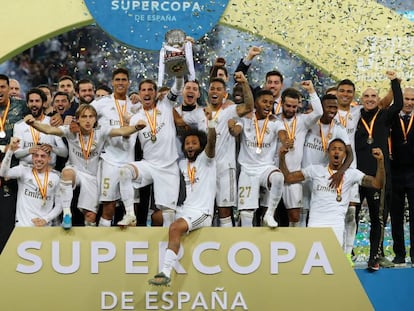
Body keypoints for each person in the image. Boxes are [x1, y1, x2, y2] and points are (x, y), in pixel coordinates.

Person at [24, 104, 146, 229]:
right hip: (75, 170)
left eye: (90, 117)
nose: (87, 120)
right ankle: (67, 214)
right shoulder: (70, 131)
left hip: (92, 177)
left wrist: (137, 127)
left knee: (90, 217)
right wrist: (33, 123)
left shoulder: (101, 131)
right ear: (77, 119)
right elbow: (49, 130)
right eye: (84, 117)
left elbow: (121, 131)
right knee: (67, 173)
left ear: (95, 119)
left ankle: (90, 243)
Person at [280, 139, 385, 271]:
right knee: (311, 269)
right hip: (315, 225)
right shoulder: (315, 170)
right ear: (328, 152)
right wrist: (281, 157)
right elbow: (288, 177)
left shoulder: (352, 174)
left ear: (344, 155)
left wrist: (380, 162)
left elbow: (377, 184)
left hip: (336, 227)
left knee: (332, 269)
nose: (337, 152)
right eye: (334, 149)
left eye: (340, 150)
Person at [148, 111, 216, 286]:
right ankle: (166, 251)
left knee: (175, 227)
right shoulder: (180, 164)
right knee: (156, 216)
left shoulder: (207, 161)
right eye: (187, 143)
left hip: (202, 212)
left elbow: (211, 145)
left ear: (201, 146)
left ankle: (165, 271)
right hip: (185, 209)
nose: (190, 146)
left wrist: (212, 126)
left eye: (194, 143)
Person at [118, 77, 184, 228]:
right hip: (149, 165)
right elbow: (127, 143)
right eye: (143, 90)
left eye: (150, 90)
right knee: (124, 172)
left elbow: (178, 85)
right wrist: (129, 130)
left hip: (168, 168)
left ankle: (167, 248)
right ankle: (130, 214)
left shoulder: (166, 105)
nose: (147, 93)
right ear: (139, 94)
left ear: (155, 93)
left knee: (168, 216)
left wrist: (179, 71)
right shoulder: (136, 117)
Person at [355, 71, 402, 270]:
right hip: (356, 176)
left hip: (379, 175)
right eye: (366, 96)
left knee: (378, 218)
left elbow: (398, 104)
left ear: (378, 100)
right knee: (352, 216)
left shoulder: (384, 116)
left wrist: (394, 82)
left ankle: (374, 256)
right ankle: (347, 252)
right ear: (361, 100)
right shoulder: (354, 118)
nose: (370, 99)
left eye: (373, 96)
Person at [229, 89, 285, 227]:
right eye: (264, 101)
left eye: (271, 103)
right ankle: (245, 242)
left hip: (266, 168)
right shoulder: (246, 119)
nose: (268, 105)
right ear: (255, 103)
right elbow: (236, 130)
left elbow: (283, 134)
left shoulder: (275, 122)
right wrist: (232, 127)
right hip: (247, 170)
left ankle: (269, 214)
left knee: (278, 177)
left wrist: (286, 141)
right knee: (246, 214)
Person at [90, 68, 137, 227]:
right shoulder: (101, 103)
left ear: (129, 83)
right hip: (109, 160)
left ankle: (128, 246)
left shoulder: (136, 105)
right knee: (108, 206)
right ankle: (102, 242)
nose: (120, 83)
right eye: (117, 80)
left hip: (130, 162)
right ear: (112, 82)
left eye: (124, 80)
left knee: (131, 210)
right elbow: (83, 114)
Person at [207, 72, 254, 227]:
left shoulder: (230, 111)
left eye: (218, 89)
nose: (214, 91)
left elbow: (249, 106)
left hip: (225, 168)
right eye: (212, 88)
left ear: (225, 94)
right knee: (204, 209)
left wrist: (245, 83)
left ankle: (227, 246)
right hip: (205, 169)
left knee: (224, 211)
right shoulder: (201, 113)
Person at [301, 94, 352, 232]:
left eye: (335, 107)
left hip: (323, 177)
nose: (332, 110)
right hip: (304, 173)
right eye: (329, 107)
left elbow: (350, 154)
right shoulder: (310, 123)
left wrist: (340, 172)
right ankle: (301, 247)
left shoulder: (339, 128)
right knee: (301, 212)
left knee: (319, 214)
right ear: (321, 107)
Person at [275, 81, 323, 227]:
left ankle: (293, 245)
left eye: (294, 106)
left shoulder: (302, 121)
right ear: (282, 103)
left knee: (295, 216)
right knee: (268, 213)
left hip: (293, 175)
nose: (291, 109)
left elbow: (319, 112)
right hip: (272, 172)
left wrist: (312, 91)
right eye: (288, 105)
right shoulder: (272, 120)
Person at [0, 138, 61, 227]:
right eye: (36, 156)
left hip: (44, 227)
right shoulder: (23, 170)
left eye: (43, 156)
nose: (39, 159)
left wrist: (45, 219)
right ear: (32, 157)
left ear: (49, 159)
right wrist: (10, 151)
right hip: (23, 226)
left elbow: (59, 205)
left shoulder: (56, 177)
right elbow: (3, 173)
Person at [0, 74, 28, 253]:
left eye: (2, 87)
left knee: (7, 220)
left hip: (11, 174)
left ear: (9, 89)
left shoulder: (21, 107)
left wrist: (58, 116)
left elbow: (40, 117)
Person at [389, 87, 414, 267]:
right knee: (396, 216)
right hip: (395, 173)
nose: (409, 102)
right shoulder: (390, 117)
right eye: (406, 99)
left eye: (413, 99)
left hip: (413, 174)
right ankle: (399, 253)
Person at [13, 88, 68, 168]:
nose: (34, 104)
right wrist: (29, 150)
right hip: (27, 170)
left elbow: (65, 153)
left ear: (43, 103)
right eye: (31, 101)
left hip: (49, 170)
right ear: (27, 104)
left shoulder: (52, 122)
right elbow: (16, 154)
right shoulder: (19, 125)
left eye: (37, 101)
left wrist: (52, 148)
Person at [235, 46, 284, 113]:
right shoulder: (256, 96)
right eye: (269, 82)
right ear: (265, 84)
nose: (272, 85)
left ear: (282, 85)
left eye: (276, 83)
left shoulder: (287, 102)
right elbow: (238, 77)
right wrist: (249, 57)